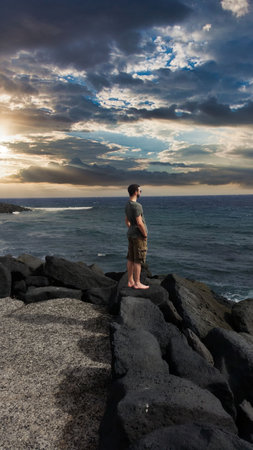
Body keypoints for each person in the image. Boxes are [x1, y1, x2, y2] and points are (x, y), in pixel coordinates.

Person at [125, 184, 149, 289]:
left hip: (130, 234)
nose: (141, 192)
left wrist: (131, 228)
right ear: (135, 191)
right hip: (138, 236)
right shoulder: (137, 206)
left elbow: (127, 220)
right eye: (140, 190)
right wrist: (144, 234)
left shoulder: (127, 205)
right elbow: (139, 223)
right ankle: (137, 283)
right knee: (138, 260)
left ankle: (130, 281)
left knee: (130, 258)